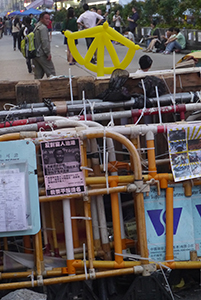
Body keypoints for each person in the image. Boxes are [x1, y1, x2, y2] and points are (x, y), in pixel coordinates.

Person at [32, 12, 56, 79]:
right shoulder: (43, 28)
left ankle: (36, 88)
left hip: (35, 54)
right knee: (51, 72)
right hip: (42, 54)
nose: (48, 20)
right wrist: (48, 53)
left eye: (49, 19)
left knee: (38, 75)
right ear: (41, 19)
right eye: (46, 18)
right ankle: (54, 88)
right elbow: (45, 41)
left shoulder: (37, 26)